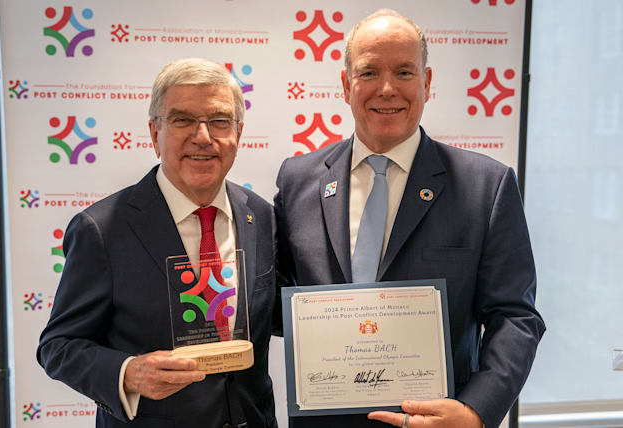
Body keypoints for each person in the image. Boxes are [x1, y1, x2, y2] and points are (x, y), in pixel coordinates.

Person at [274, 9, 545, 428]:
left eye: (404, 72)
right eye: (369, 72)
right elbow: (276, 303)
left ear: (427, 83)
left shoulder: (485, 187)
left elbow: (516, 317)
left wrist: (476, 412)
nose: (387, 89)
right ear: (346, 84)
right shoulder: (298, 181)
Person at [38, 58, 278, 428]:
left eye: (219, 121)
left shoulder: (260, 216)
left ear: (238, 133)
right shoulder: (102, 229)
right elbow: (58, 346)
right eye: (182, 120)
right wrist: (129, 372)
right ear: (154, 133)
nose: (203, 136)